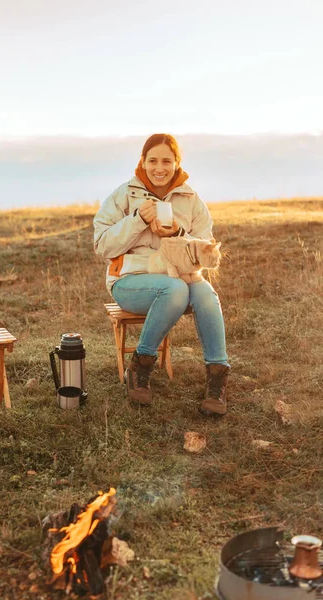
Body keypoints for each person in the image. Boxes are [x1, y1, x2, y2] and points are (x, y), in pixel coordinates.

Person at [93, 133, 230, 416]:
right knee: (174, 289)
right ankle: (140, 366)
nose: (159, 167)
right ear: (142, 161)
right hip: (130, 281)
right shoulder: (124, 195)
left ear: (177, 163)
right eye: (152, 160)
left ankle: (217, 379)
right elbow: (102, 244)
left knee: (204, 293)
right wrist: (138, 220)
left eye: (166, 161)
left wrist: (179, 234)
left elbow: (205, 245)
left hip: (180, 277)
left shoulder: (190, 198)